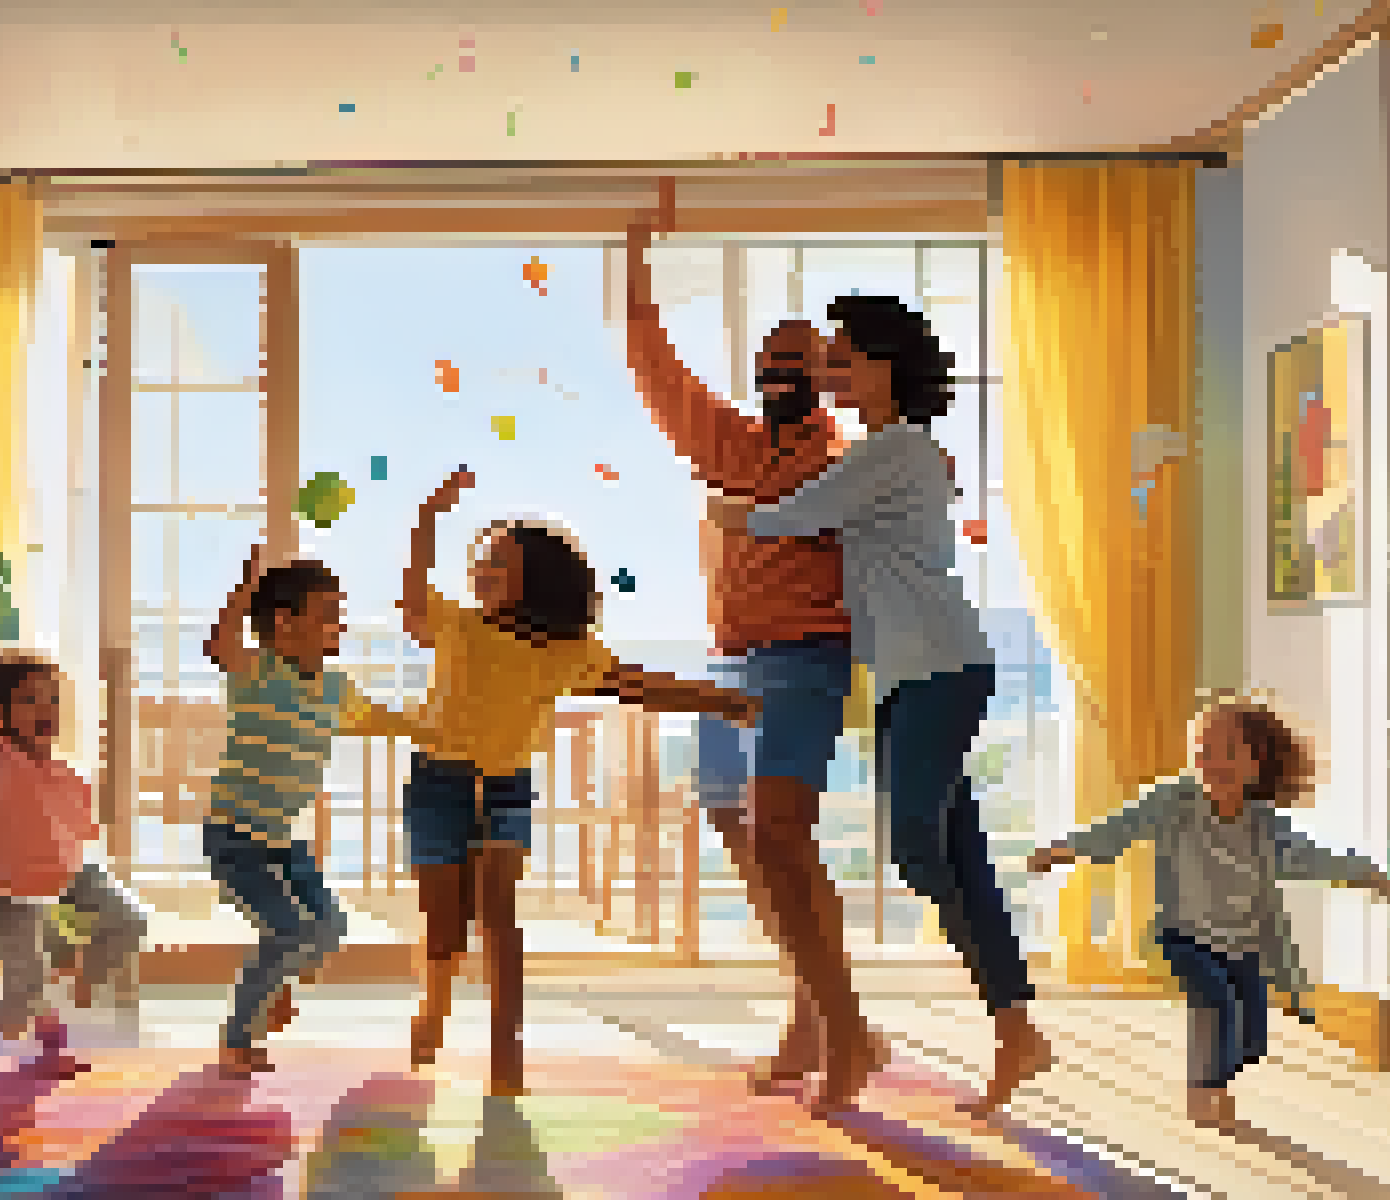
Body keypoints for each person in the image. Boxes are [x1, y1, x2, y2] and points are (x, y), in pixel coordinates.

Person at [711, 293, 1047, 1116]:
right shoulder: (888, 453)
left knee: (917, 853)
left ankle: (945, 1023)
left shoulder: (895, 452)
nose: (833, 374)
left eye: (845, 359)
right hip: (907, 678)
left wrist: (728, 510)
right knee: (956, 848)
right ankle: (1015, 1028)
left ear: (887, 365)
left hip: (941, 667)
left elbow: (792, 516)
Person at [399, 468, 760, 1097]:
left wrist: (727, 702)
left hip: (506, 787)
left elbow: (643, 687)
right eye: (480, 561)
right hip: (437, 783)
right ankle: (435, 999)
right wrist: (428, 518)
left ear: (534, 581)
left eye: (498, 563)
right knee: (444, 918)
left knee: (499, 915)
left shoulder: (564, 652)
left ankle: (505, 1060)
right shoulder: (455, 624)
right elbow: (409, 599)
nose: (481, 570)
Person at [622, 222, 856, 1100]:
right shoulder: (731, 443)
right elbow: (657, 370)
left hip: (806, 658)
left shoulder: (843, 459)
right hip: (729, 666)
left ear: (823, 374)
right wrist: (636, 266)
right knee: (734, 824)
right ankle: (808, 999)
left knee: (783, 838)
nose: (778, 374)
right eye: (768, 361)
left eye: (795, 360)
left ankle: (835, 1029)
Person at [1028, 693, 1390, 1128]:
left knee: (1252, 1035)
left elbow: (1307, 857)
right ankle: (1204, 1091)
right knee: (1215, 1002)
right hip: (1181, 934)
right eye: (1201, 752)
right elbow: (1119, 829)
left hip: (1242, 942)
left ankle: (1220, 1073)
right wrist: (1064, 850)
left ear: (1256, 764)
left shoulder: (1264, 823)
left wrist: (1364, 874)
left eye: (1226, 751)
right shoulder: (1173, 803)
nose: (1211, 762)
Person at [202, 548, 398, 1078]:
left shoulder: (336, 688)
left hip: (285, 840)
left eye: (340, 611)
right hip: (234, 836)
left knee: (330, 927)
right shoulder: (256, 671)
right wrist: (246, 586)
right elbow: (219, 643)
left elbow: (379, 720)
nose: (340, 623)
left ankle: (277, 985)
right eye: (328, 613)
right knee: (286, 929)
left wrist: (437, 728)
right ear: (285, 625)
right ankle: (237, 1038)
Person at [0, 653, 148, 1047]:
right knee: (26, 989)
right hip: (13, 891)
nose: (47, 709)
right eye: (32, 699)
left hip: (70, 877)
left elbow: (80, 830)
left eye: (53, 699)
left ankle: (76, 988)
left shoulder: (62, 770)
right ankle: (15, 1025)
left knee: (129, 921)